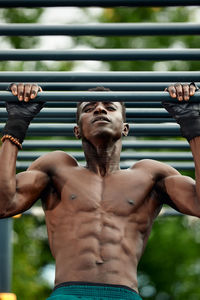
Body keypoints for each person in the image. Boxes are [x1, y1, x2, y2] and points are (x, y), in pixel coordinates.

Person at [0, 82, 200, 300]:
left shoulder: (150, 175)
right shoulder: (56, 168)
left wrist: (192, 123)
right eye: (88, 109)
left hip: (125, 295)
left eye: (110, 107)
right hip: (68, 294)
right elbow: (4, 204)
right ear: (77, 131)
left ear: (125, 127)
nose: (99, 109)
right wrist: (16, 123)